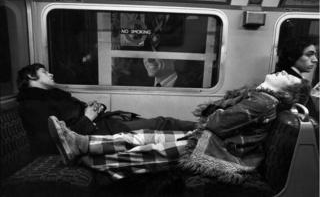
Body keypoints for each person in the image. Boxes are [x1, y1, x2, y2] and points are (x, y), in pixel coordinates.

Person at [48, 71, 310, 182]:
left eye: (288, 76)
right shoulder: (259, 97)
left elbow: (217, 123)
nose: (281, 73)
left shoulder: (263, 101)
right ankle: (80, 143)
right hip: (212, 140)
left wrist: (218, 112)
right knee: (144, 135)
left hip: (224, 152)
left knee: (152, 149)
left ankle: (87, 158)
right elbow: (216, 121)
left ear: (290, 90)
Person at [16, 63, 196, 156]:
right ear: (31, 76)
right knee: (161, 123)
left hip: (103, 125)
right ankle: (205, 128)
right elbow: (59, 140)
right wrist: (88, 118)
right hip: (98, 132)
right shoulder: (32, 104)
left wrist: (94, 109)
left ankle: (203, 128)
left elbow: (77, 117)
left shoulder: (55, 96)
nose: (51, 74)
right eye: (45, 72)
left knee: (161, 123)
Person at [276, 37, 318, 120]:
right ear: (292, 56)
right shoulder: (293, 82)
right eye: (309, 55)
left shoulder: (280, 75)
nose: (315, 60)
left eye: (315, 55)